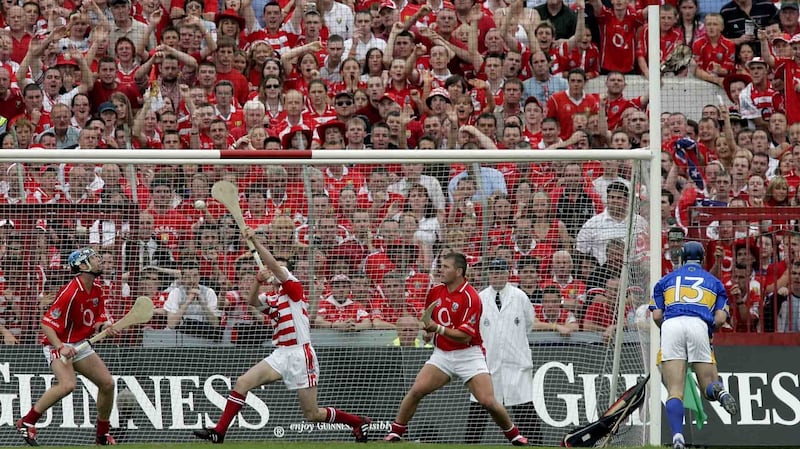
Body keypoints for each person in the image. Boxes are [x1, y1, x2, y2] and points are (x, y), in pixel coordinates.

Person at [193, 228, 370, 444]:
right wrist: (258, 280)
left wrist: (256, 243)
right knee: (242, 383)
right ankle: (219, 432)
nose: (278, 271)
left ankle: (357, 422)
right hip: (281, 353)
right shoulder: (273, 297)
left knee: (312, 415)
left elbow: (276, 266)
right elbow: (252, 303)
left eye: (282, 270)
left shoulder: (294, 289)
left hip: (300, 355)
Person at [384, 252, 529, 446]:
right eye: (440, 266)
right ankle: (395, 433)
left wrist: (438, 329)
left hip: (469, 354)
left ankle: (515, 436)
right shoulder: (435, 292)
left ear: (459, 271)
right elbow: (429, 323)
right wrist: (429, 332)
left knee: (487, 401)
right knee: (417, 390)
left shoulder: (471, 298)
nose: (440, 270)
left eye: (445, 267)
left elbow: (465, 335)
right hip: (442, 355)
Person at [17, 247, 119, 446]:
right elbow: (46, 324)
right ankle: (27, 422)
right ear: (82, 266)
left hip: (80, 344)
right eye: (94, 258)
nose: (99, 260)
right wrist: (61, 346)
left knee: (107, 384)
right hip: (57, 342)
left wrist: (105, 326)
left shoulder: (97, 289)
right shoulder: (70, 292)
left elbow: (97, 319)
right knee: (68, 385)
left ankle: (102, 435)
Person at [650, 241, 738, 449]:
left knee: (675, 389)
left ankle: (678, 438)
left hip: (671, 325)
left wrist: (668, 329)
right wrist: (708, 331)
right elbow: (720, 318)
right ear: (702, 258)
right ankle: (720, 392)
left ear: (681, 258)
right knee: (708, 383)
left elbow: (656, 315)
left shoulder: (665, 281)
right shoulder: (715, 283)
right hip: (699, 325)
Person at [464, 259, 542, 445]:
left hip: (516, 364)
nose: (496, 275)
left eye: (500, 272)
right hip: (487, 366)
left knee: (525, 411)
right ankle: (468, 445)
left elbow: (529, 323)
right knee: (478, 412)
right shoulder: (479, 298)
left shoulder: (520, 296)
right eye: (492, 272)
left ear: (508, 274)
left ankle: (537, 445)